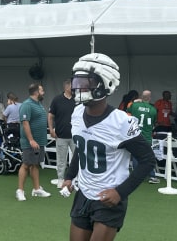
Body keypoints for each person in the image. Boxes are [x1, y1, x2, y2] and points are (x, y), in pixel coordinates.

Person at [63, 53, 155, 241]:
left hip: (108, 198)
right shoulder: (77, 113)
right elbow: (82, 149)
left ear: (106, 84)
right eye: (76, 81)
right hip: (84, 193)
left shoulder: (120, 122)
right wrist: (69, 176)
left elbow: (148, 160)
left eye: (85, 82)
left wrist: (120, 192)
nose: (78, 87)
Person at [16, 83, 51, 201]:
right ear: (36, 92)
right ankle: (20, 191)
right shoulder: (27, 105)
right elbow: (25, 123)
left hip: (39, 141)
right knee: (26, 165)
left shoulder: (39, 104)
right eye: (41, 90)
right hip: (30, 142)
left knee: (35, 165)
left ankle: (36, 189)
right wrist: (31, 140)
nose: (43, 92)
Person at [127, 90, 160, 184]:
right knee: (148, 157)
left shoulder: (134, 105)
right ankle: (152, 176)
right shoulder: (153, 109)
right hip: (146, 135)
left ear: (141, 96)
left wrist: (135, 102)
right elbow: (154, 122)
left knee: (135, 156)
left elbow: (128, 111)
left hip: (135, 134)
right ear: (150, 98)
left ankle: (136, 176)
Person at [48, 79, 75, 188]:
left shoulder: (78, 100)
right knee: (61, 159)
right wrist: (51, 129)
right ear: (67, 87)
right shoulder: (57, 100)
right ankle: (60, 179)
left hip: (75, 136)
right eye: (73, 87)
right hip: (61, 135)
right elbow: (50, 116)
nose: (74, 89)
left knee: (78, 158)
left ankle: (76, 179)